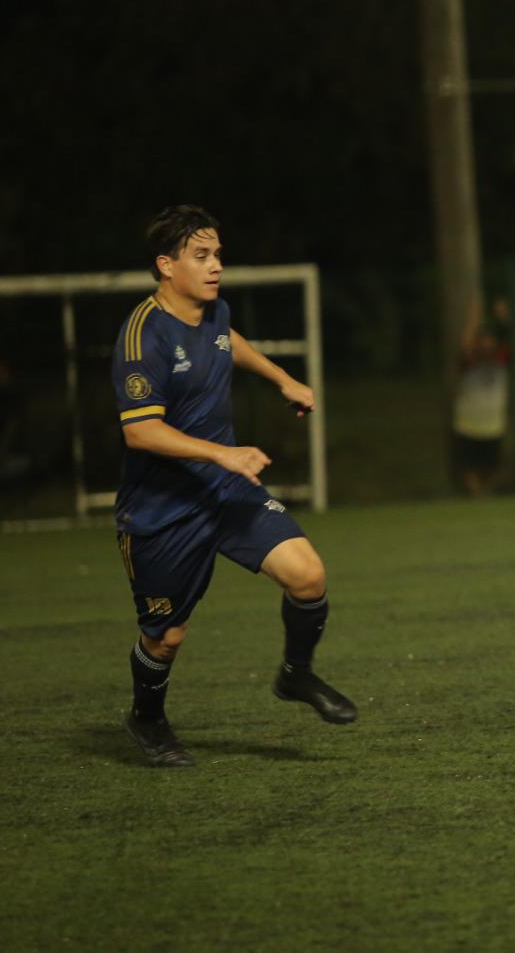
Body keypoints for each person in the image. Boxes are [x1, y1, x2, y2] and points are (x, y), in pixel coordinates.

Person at [113, 205, 356, 767]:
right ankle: (146, 719)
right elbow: (141, 432)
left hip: (226, 490)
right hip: (163, 508)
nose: (216, 264)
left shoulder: (213, 311)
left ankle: (296, 676)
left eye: (218, 253)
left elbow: (228, 341)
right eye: (201, 255)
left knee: (308, 575)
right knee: (165, 638)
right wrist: (225, 452)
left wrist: (282, 378)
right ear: (166, 266)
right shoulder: (141, 337)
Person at [452, 295, 513, 495]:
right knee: (468, 466)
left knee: (492, 467)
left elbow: (511, 337)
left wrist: (503, 317)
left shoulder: (500, 359)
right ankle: (476, 495)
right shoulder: (471, 361)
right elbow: (465, 345)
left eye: (489, 340)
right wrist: (473, 317)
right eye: (482, 340)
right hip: (468, 424)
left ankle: (483, 494)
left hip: (493, 424)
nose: (486, 343)